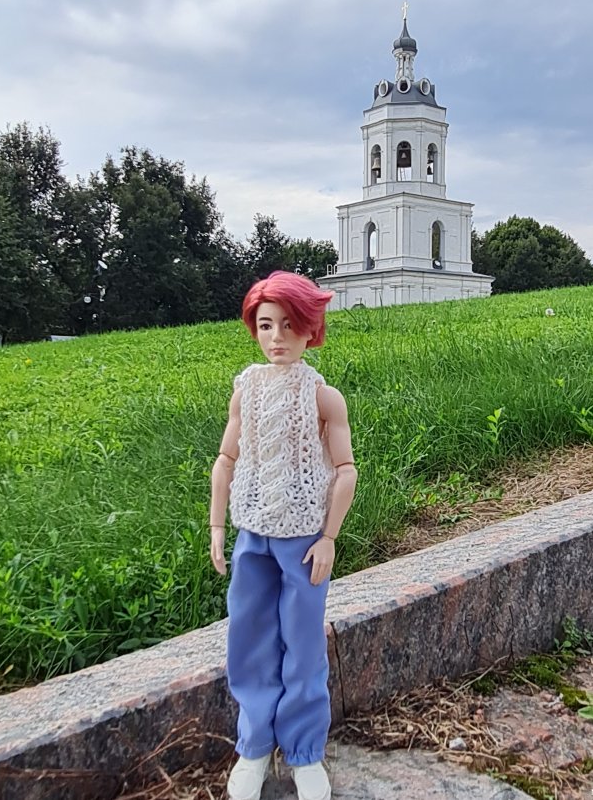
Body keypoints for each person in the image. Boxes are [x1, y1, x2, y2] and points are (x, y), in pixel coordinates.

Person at [209, 271, 358, 800]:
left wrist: (329, 537)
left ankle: (304, 751)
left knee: (303, 644)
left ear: (311, 329)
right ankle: (253, 746)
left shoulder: (323, 396)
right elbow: (226, 459)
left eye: (290, 325)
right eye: (266, 325)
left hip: (303, 542)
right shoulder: (245, 387)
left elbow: (346, 471)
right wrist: (217, 525)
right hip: (252, 535)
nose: (277, 337)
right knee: (248, 638)